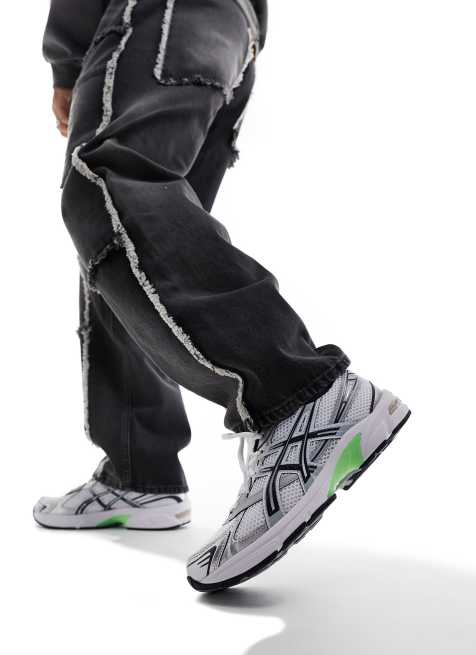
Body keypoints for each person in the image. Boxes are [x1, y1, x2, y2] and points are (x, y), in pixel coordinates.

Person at [34, 0, 410, 592]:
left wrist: (67, 60)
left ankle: (298, 396)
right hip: (222, 32)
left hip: (158, 16)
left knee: (107, 186)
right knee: (136, 241)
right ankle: (140, 471)